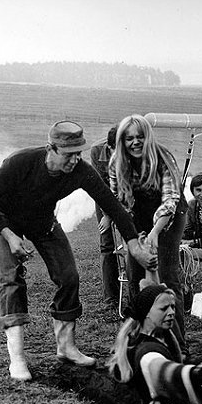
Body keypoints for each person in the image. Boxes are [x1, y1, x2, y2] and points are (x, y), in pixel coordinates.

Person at [0, 120, 157, 382]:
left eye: (78, 154)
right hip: (7, 221)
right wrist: (10, 236)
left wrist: (133, 245)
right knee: (12, 280)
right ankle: (17, 358)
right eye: (68, 155)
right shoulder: (20, 162)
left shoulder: (80, 171)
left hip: (43, 222)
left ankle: (66, 347)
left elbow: (113, 207)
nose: (74, 161)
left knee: (69, 276)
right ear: (51, 148)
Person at [107, 114, 188, 352]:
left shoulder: (163, 158)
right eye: (129, 138)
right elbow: (117, 204)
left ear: (148, 137)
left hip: (169, 216)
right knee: (135, 275)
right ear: (122, 141)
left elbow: (170, 200)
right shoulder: (116, 162)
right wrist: (134, 239)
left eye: (140, 137)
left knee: (166, 275)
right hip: (135, 215)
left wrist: (154, 233)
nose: (135, 142)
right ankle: (142, 340)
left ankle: (177, 344)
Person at [106, 284, 202, 404]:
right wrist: (191, 373)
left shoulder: (157, 336)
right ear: (146, 312)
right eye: (164, 308)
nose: (172, 312)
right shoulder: (146, 350)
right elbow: (155, 365)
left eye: (172, 307)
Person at [90, 125, 119, 310]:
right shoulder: (96, 151)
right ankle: (111, 298)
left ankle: (138, 292)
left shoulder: (137, 151)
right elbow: (99, 186)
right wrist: (107, 215)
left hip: (131, 195)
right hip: (105, 196)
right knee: (107, 245)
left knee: (134, 241)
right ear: (109, 147)